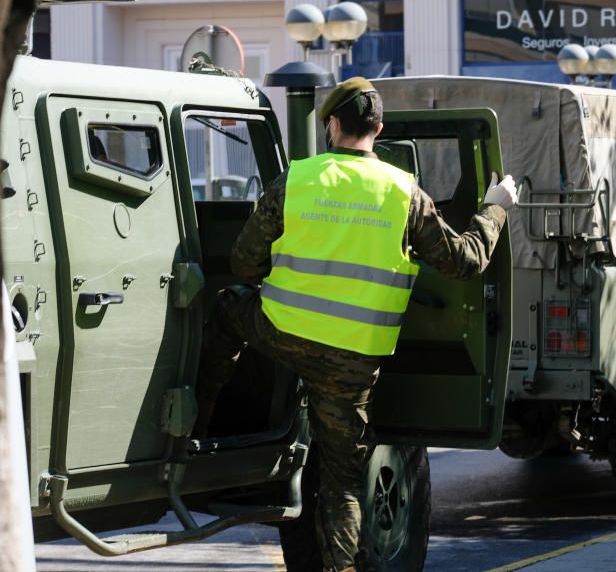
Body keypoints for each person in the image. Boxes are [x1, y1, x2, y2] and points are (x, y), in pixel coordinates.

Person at [194, 76, 518, 572]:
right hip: (352, 360)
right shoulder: (403, 191)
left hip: (284, 333)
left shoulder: (298, 180)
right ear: (380, 129)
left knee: (227, 308)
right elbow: (465, 260)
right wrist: (496, 204)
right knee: (343, 481)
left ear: (332, 125)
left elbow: (243, 265)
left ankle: (201, 418)